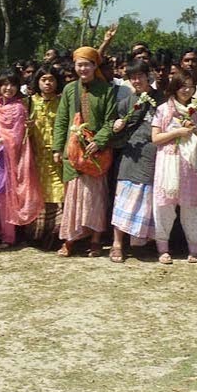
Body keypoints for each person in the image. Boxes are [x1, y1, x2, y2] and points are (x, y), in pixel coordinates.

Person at [51, 46, 119, 258]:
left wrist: (99, 141)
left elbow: (110, 121)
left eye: (87, 64)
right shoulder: (70, 89)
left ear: (94, 66)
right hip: (73, 151)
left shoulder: (106, 90)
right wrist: (57, 148)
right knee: (73, 196)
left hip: (96, 153)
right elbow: (62, 120)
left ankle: (96, 239)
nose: (83, 68)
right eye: (79, 64)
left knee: (95, 196)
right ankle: (70, 239)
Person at [151, 74, 197, 264]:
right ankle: (163, 248)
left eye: (190, 87)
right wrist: (177, 132)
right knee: (164, 205)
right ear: (175, 88)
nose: (187, 90)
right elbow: (155, 138)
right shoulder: (163, 109)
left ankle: (195, 248)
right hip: (167, 162)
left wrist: (195, 128)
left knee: (190, 207)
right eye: (183, 86)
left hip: (189, 164)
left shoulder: (196, 110)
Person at [108, 60, 160, 262]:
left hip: (155, 155)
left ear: (149, 76)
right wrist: (116, 126)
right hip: (131, 156)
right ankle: (117, 244)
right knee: (124, 198)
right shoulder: (126, 102)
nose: (137, 80)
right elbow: (111, 127)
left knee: (149, 200)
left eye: (140, 76)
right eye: (132, 77)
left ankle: (143, 243)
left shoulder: (162, 99)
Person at [0, 70, 42, 248]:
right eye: (4, 84)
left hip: (8, 159)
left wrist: (0, 140)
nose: (8, 88)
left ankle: (8, 237)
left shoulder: (18, 108)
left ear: (18, 87)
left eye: (12, 84)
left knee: (4, 198)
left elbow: (16, 137)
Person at [27, 66, 66, 248]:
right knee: (39, 195)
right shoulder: (29, 102)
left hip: (58, 158)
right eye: (44, 80)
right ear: (38, 82)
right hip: (36, 158)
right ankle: (38, 236)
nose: (48, 83)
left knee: (60, 195)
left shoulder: (63, 101)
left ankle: (58, 237)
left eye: (51, 79)